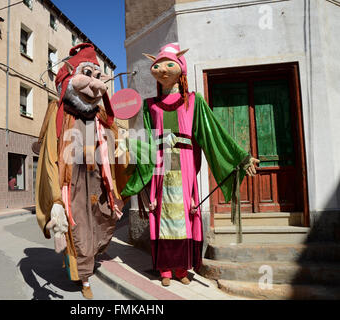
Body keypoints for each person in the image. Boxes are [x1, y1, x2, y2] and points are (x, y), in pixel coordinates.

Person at [122, 43, 259, 286]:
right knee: (161, 213)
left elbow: (214, 133)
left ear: (181, 69)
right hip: (161, 166)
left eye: (169, 63)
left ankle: (181, 269)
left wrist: (241, 157)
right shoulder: (149, 105)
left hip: (183, 165)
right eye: (158, 64)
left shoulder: (194, 101)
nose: (162, 69)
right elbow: (145, 140)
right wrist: (130, 146)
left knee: (184, 214)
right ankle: (164, 269)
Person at [35, 43, 129, 299]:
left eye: (98, 78)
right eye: (87, 75)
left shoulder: (100, 117)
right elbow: (50, 157)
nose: (96, 85)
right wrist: (55, 198)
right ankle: (84, 277)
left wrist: (123, 148)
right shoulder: (58, 111)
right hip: (71, 181)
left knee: (102, 218)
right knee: (78, 228)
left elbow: (113, 141)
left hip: (98, 180)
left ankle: (85, 258)